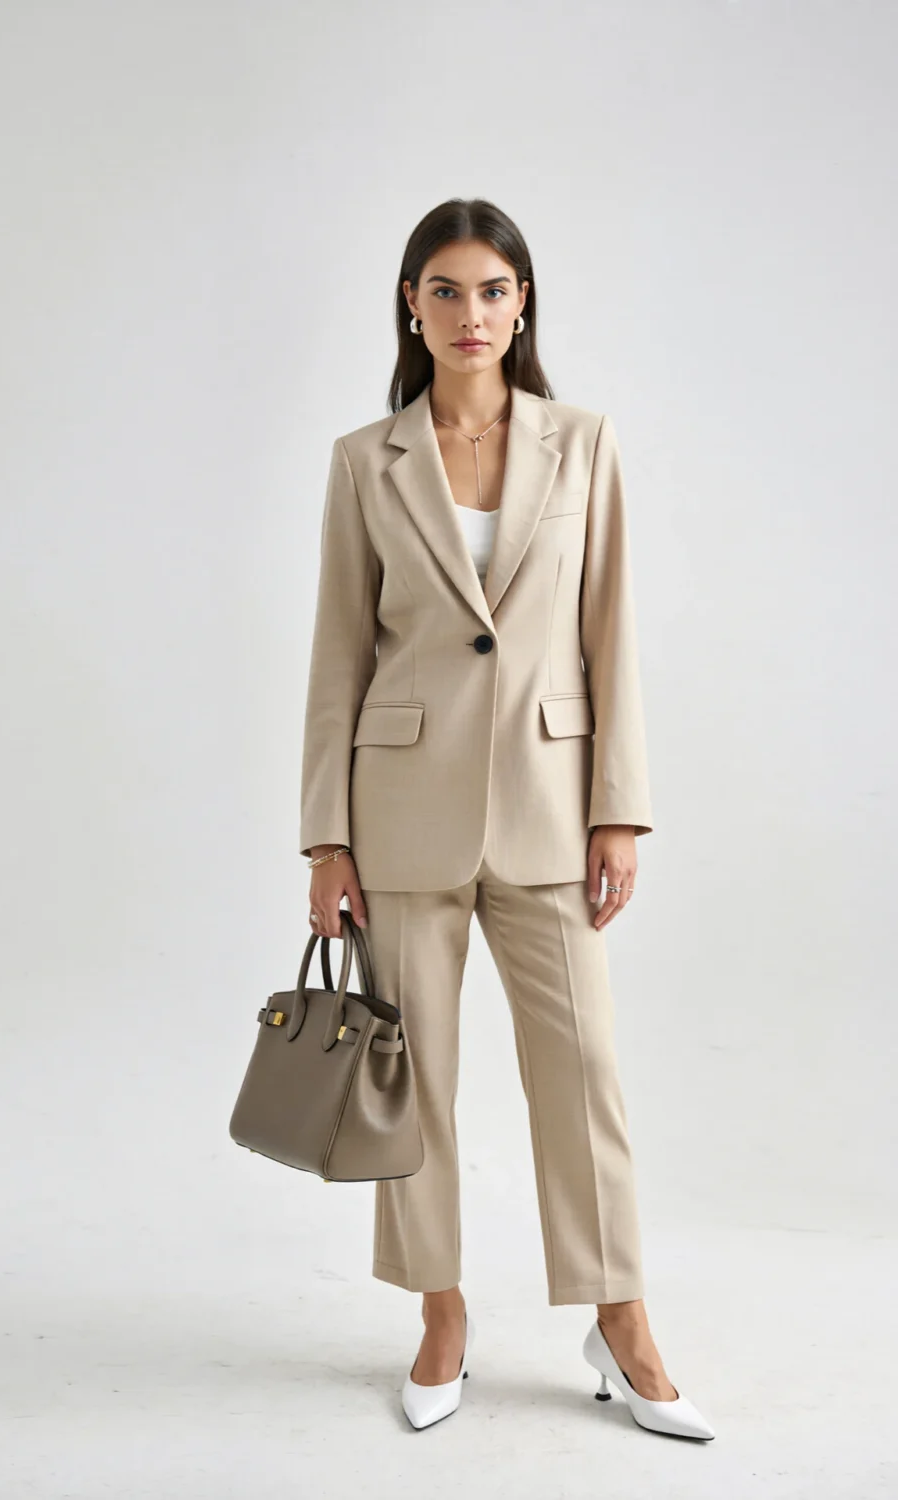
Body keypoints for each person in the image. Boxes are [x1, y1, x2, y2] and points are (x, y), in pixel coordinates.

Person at [297, 198, 715, 1441]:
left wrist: (619, 811)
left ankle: (619, 1314)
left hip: (548, 802)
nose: (469, 312)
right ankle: (440, 1313)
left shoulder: (580, 444)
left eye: (492, 289)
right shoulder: (364, 460)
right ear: (410, 307)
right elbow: (336, 655)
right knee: (408, 1081)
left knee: (580, 1073)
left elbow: (610, 631)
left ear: (521, 302)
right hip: (400, 810)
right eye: (444, 289)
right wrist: (327, 834)